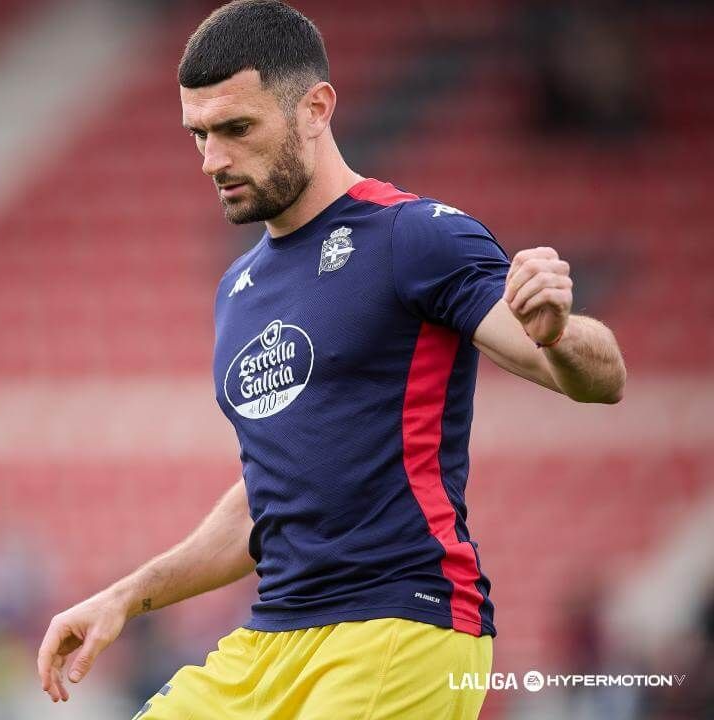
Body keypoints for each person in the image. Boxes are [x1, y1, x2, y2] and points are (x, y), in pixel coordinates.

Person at [36, 2, 627, 718]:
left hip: (401, 627)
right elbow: (271, 497)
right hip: (270, 641)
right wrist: (126, 597)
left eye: (236, 129)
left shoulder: (415, 237)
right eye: (199, 135)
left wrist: (558, 331)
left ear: (315, 108)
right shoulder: (239, 290)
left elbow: (601, 380)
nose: (212, 159)